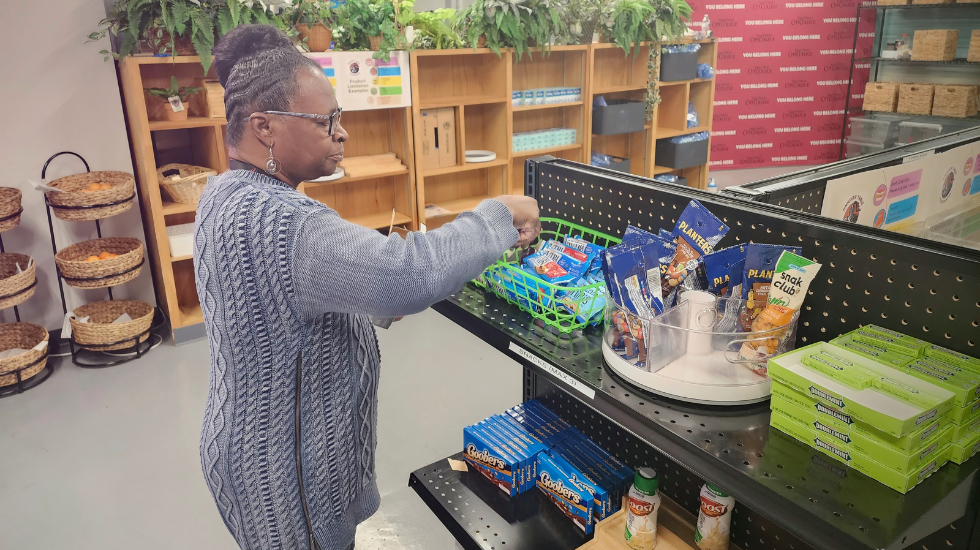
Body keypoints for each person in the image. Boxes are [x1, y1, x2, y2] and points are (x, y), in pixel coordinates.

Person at [194, 25, 541, 550]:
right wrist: (494, 217)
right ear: (263, 126)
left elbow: (271, 300)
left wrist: (358, 304)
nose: (341, 133)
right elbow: (405, 275)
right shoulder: (284, 221)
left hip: (250, 450)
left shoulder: (224, 193)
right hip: (287, 479)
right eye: (325, 121)